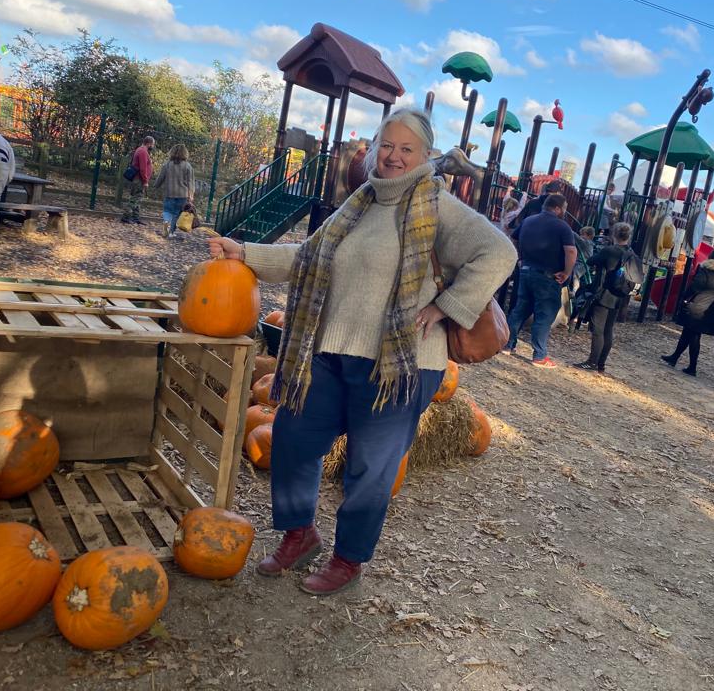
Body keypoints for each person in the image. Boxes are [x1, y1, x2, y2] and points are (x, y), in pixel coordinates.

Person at [208, 109, 515, 596]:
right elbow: (308, 257)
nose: (393, 156)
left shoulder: (438, 206)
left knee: (370, 469)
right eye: (385, 144)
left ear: (426, 155)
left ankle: (348, 559)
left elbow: (498, 252)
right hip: (330, 351)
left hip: (402, 364)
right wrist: (244, 253)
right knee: (292, 440)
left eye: (406, 148)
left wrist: (448, 306)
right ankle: (299, 533)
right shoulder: (358, 203)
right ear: (373, 147)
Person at [503, 193, 577, 368]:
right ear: (558, 208)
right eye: (564, 208)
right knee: (544, 314)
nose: (565, 212)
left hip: (526, 271)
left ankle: (506, 344)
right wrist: (567, 272)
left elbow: (513, 237)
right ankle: (539, 355)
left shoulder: (529, 221)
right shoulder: (562, 227)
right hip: (548, 276)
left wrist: (520, 258)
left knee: (520, 310)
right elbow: (571, 251)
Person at [661, 248, 714, 377]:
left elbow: (696, 285)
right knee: (688, 332)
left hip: (700, 305)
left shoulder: (706, 269)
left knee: (694, 334)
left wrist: (684, 298)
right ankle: (674, 357)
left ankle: (692, 367)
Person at [573, 222, 633, 373]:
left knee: (598, 330)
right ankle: (601, 364)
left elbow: (591, 261)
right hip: (620, 296)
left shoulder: (610, 250)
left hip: (604, 294)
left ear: (614, 234)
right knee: (608, 330)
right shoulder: (631, 253)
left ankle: (592, 362)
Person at [153, 144, 194, 238]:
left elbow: (161, 177)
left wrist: (155, 186)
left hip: (169, 193)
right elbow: (190, 182)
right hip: (182, 195)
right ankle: (171, 232)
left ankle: (166, 222)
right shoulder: (188, 166)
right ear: (185, 153)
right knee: (177, 214)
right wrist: (191, 195)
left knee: (167, 210)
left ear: (171, 152)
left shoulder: (167, 164)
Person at [122, 135, 155, 224]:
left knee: (138, 198)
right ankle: (126, 216)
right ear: (149, 143)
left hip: (138, 179)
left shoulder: (140, 150)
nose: (153, 146)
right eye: (153, 144)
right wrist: (145, 181)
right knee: (135, 198)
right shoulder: (143, 152)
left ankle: (136, 218)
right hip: (139, 179)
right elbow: (143, 168)